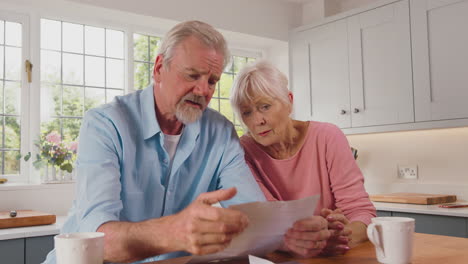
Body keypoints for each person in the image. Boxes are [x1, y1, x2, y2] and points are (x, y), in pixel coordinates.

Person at [43, 21, 267, 264]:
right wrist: (175, 232)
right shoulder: (105, 124)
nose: (203, 90)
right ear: (159, 68)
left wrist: (293, 232)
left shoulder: (221, 132)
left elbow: (253, 214)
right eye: (192, 75)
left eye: (212, 81)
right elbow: (99, 240)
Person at [230, 60, 376, 257]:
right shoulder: (242, 152)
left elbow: (360, 211)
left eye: (264, 106)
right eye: (246, 112)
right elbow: (269, 221)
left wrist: (341, 235)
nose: (257, 121)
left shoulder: (327, 137)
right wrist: (313, 239)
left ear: (289, 101)